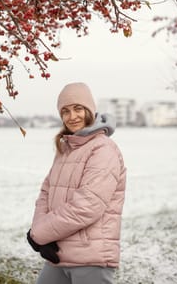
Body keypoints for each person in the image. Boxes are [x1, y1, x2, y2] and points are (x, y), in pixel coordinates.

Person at [27, 82, 126, 284]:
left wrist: (39, 234)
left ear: (89, 110)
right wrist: (39, 233)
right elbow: (46, 193)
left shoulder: (103, 149)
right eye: (65, 111)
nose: (72, 117)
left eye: (78, 109)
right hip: (59, 253)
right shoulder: (67, 149)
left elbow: (87, 206)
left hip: (91, 257)